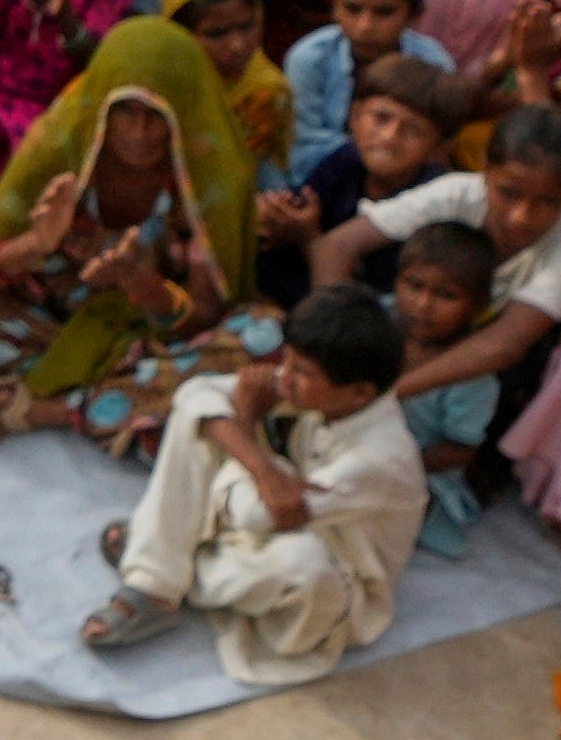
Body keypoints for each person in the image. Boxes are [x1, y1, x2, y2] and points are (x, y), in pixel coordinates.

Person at [67, 280, 433, 688]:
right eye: (287, 362)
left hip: (334, 585)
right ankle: (154, 583)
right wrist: (261, 464)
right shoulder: (324, 392)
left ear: (359, 392)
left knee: (304, 567)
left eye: (302, 371)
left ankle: (170, 557)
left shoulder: (382, 458)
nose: (285, 378)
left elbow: (257, 515)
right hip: (283, 515)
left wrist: (246, 424)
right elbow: (197, 394)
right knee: (201, 418)